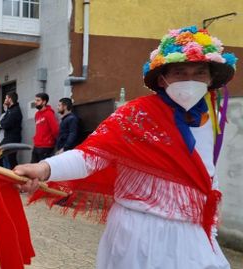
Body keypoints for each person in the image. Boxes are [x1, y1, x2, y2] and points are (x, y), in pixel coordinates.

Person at [15, 26, 237, 269]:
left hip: (192, 235)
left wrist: (211, 224)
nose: (190, 80)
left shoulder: (212, 118)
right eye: (179, 72)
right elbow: (90, 157)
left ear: (211, 78)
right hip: (139, 235)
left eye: (199, 72)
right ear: (162, 78)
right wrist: (44, 168)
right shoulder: (135, 114)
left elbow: (208, 176)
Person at [0, 91, 23, 168]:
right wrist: (2, 123)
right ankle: (4, 175)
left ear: (10, 99)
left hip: (13, 139)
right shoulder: (10, 110)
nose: (4, 100)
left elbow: (5, 124)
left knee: (10, 159)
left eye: (6, 98)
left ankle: (15, 177)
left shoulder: (15, 111)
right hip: (8, 138)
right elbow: (2, 121)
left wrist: (2, 124)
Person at [31, 92, 59, 163]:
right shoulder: (37, 114)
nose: (35, 102)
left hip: (46, 147)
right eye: (35, 100)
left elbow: (55, 130)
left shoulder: (49, 113)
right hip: (37, 145)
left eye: (38, 100)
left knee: (41, 169)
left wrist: (54, 142)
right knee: (32, 167)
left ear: (44, 102)